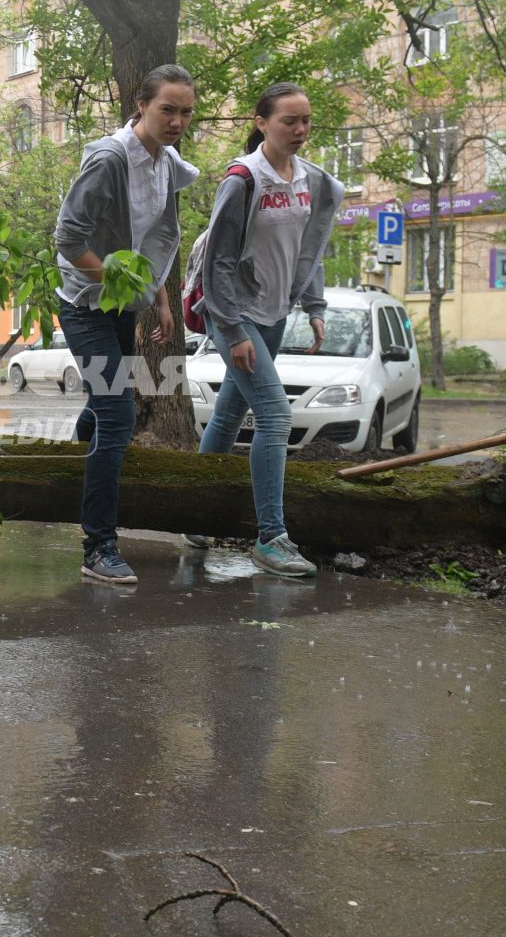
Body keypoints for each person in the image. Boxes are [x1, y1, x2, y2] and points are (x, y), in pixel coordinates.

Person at [186, 82, 344, 577]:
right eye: (288, 122)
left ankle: (193, 515)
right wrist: (231, 331)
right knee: (275, 415)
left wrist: (314, 306)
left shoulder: (309, 181)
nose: (299, 131)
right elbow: (218, 262)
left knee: (231, 412)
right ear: (261, 124)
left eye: (305, 122)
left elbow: (308, 248)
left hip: (275, 312)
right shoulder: (242, 180)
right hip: (234, 310)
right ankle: (271, 537)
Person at [53, 64, 198, 584]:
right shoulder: (110, 159)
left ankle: (74, 466)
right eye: (168, 109)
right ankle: (98, 547)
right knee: (116, 413)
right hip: (85, 304)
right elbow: (69, 240)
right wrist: (118, 280)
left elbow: (153, 236)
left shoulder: (165, 162)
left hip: (124, 303)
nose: (177, 120)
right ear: (141, 105)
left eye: (186, 112)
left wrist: (158, 297)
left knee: (104, 403)